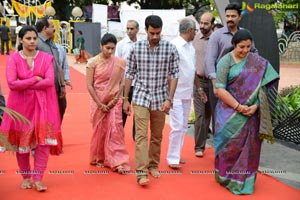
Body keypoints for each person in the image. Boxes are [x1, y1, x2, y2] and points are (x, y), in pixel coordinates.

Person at [214, 29, 279, 195]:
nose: (244, 50)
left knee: (249, 150)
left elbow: (263, 89)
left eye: (248, 47)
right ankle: (225, 177)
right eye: (241, 47)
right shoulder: (225, 61)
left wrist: (256, 106)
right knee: (228, 147)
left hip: (251, 114)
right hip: (228, 114)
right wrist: (238, 107)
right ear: (234, 45)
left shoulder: (257, 62)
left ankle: (242, 183)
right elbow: (220, 89)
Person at [0, 26, 62, 192]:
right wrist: (34, 78)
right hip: (20, 108)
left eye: (34, 38)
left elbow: (49, 81)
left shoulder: (46, 58)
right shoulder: (13, 59)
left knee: (42, 144)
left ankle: (38, 178)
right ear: (20, 40)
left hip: (43, 107)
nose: (32, 41)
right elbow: (12, 84)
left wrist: (24, 82)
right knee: (22, 144)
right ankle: (26, 177)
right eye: (28, 38)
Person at [123, 15, 179, 186]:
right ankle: (141, 172)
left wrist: (170, 99)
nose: (155, 37)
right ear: (145, 30)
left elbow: (174, 75)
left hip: (161, 97)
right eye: (152, 33)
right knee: (141, 135)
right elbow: (129, 74)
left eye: (158, 33)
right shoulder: (136, 48)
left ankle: (153, 165)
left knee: (156, 135)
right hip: (140, 96)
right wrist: (125, 98)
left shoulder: (170, 49)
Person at [205, 2, 257, 134]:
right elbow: (210, 60)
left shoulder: (246, 34)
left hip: (240, 84)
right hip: (220, 82)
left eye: (233, 16)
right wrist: (214, 82)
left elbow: (255, 54)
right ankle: (220, 151)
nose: (229, 19)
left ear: (239, 17)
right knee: (219, 117)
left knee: (237, 116)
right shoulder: (217, 35)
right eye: (227, 16)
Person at [86, 33, 130, 174]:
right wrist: (100, 104)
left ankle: (117, 160)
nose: (110, 51)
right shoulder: (92, 62)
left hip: (114, 101)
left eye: (112, 48)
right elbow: (89, 85)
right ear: (101, 46)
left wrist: (115, 100)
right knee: (100, 130)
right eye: (107, 48)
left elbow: (121, 83)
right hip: (97, 99)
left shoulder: (119, 62)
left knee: (115, 130)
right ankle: (100, 157)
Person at [167, 18, 196, 169]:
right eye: (195, 31)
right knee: (177, 126)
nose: (195, 33)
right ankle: (172, 158)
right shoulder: (174, 45)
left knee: (183, 126)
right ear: (190, 31)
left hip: (187, 92)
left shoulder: (191, 48)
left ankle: (176, 155)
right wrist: (168, 95)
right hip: (175, 92)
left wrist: (199, 89)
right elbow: (167, 70)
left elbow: (193, 70)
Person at [192, 12, 215, 158]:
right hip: (198, 81)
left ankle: (219, 146)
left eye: (206, 23)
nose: (202, 26)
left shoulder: (217, 39)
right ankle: (199, 147)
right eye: (201, 22)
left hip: (214, 83)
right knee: (200, 115)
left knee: (211, 114)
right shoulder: (194, 38)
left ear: (212, 24)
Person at [35, 17, 66, 122]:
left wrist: (62, 85)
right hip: (43, 89)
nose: (54, 29)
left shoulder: (52, 43)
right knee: (45, 117)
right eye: (52, 27)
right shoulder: (35, 43)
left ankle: (53, 136)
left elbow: (58, 64)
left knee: (60, 111)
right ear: (45, 28)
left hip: (56, 88)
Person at [115, 19, 139, 141]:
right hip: (125, 83)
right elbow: (117, 65)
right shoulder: (121, 45)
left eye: (132, 28)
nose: (129, 31)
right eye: (128, 28)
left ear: (137, 30)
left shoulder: (142, 44)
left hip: (139, 83)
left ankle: (137, 136)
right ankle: (119, 135)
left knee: (139, 111)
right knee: (122, 111)